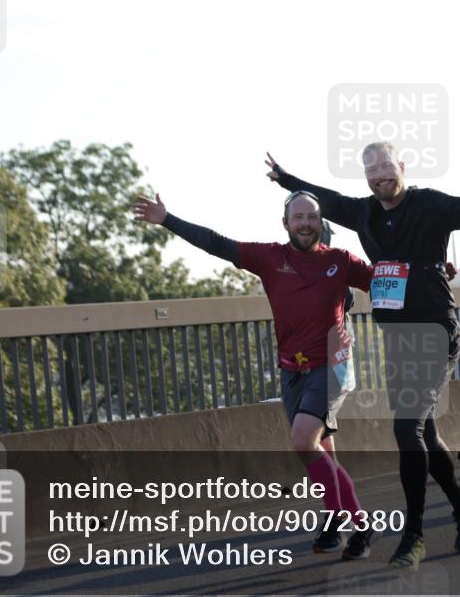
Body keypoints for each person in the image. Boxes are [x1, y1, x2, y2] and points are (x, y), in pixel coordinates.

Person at [264, 142, 460, 570]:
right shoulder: (364, 213)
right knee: (423, 433)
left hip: (435, 333)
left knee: (407, 427)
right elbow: (326, 199)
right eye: (371, 172)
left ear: (401, 168)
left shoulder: (427, 204)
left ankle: (414, 534)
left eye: (386, 169)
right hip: (400, 339)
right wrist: (286, 179)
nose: (379, 178)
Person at [133, 190, 376, 559]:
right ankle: (356, 524)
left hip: (333, 364)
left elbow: (388, 281)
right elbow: (216, 243)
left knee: (301, 442)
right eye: (299, 218)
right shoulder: (270, 258)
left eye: (312, 217)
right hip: (292, 369)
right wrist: (167, 219)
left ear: (321, 222)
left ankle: (339, 520)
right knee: (322, 449)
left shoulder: (341, 260)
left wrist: (435, 274)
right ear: (286, 224)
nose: (306, 224)